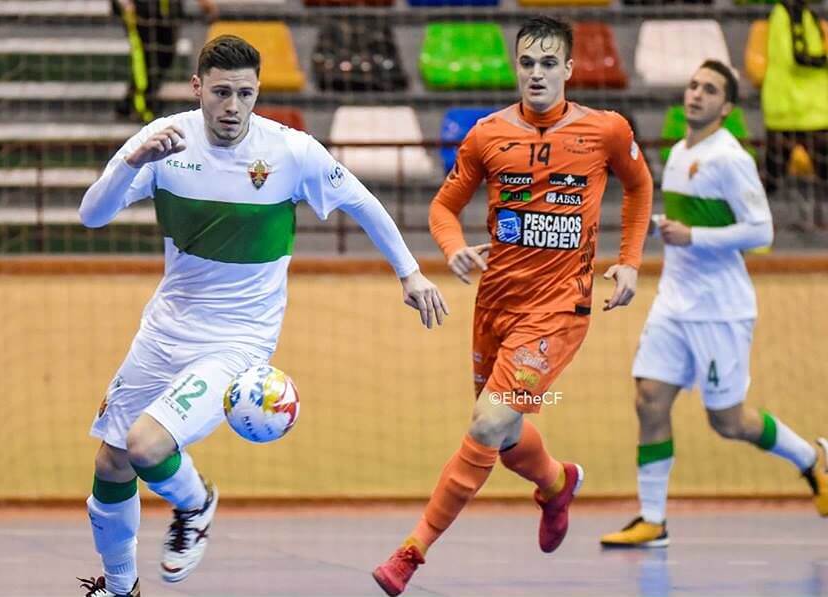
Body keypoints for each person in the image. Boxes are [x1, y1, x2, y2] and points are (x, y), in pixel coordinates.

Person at [76, 35, 448, 597]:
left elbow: (362, 201)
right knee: (112, 463)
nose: (232, 107)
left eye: (245, 94)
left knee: (147, 445)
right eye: (221, 92)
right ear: (197, 88)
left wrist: (409, 271)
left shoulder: (290, 152)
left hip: (238, 342)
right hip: (165, 328)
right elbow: (91, 216)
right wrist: (133, 163)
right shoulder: (163, 142)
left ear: (257, 93)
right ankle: (121, 588)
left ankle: (197, 503)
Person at [372, 16, 653, 596]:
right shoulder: (487, 134)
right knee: (503, 438)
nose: (537, 74)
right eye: (528, 63)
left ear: (570, 69)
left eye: (550, 63)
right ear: (516, 66)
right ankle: (556, 484)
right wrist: (451, 250)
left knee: (488, 421)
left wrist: (629, 259)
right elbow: (443, 209)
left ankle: (411, 552)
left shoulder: (605, 131)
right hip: (495, 302)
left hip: (559, 309)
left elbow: (640, 185)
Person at [599, 60, 828, 549]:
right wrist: (672, 226)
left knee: (728, 422)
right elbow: (692, 223)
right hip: (674, 304)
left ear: (725, 108)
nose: (696, 94)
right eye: (693, 85)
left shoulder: (731, 158)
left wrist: (694, 234)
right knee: (649, 399)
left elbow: (761, 231)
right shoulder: (681, 151)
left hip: (721, 309)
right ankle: (652, 519)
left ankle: (812, 461)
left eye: (709, 90)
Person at [761, 0, 828, 228]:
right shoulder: (794, 11)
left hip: (797, 109)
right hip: (800, 109)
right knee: (769, 182)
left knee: (769, 182)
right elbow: (801, 56)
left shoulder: (799, 12)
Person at [114, 0, 217, 123]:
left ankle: (128, 104)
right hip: (139, 8)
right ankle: (143, 108)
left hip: (169, 8)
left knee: (165, 56)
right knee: (144, 57)